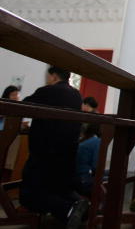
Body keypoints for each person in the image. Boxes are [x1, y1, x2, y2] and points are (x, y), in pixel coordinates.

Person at [19, 66, 89, 228]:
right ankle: (78, 204)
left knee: (31, 192)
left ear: (53, 76)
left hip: (45, 151)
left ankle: (68, 210)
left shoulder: (47, 91)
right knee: (59, 187)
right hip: (68, 152)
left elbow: (23, 106)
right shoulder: (77, 94)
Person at [75, 121, 101, 197]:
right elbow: (96, 166)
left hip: (76, 177)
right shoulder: (97, 141)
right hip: (84, 179)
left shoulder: (82, 140)